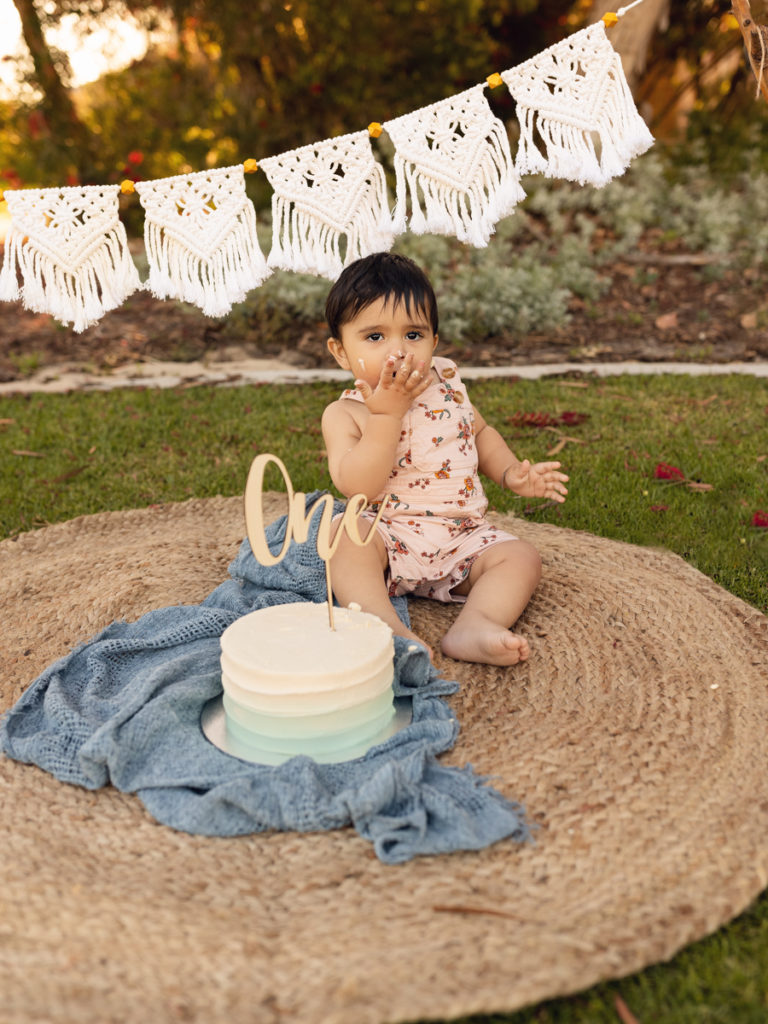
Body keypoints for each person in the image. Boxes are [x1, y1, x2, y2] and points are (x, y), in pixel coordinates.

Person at [321, 252, 569, 666]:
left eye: (413, 335)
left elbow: (481, 431)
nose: (398, 351)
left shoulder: (449, 383)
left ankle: (478, 623)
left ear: (434, 342)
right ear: (341, 352)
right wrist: (386, 415)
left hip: (462, 538)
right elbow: (356, 485)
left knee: (521, 557)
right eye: (375, 337)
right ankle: (385, 626)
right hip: (387, 535)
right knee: (341, 538)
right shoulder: (346, 413)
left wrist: (511, 473)